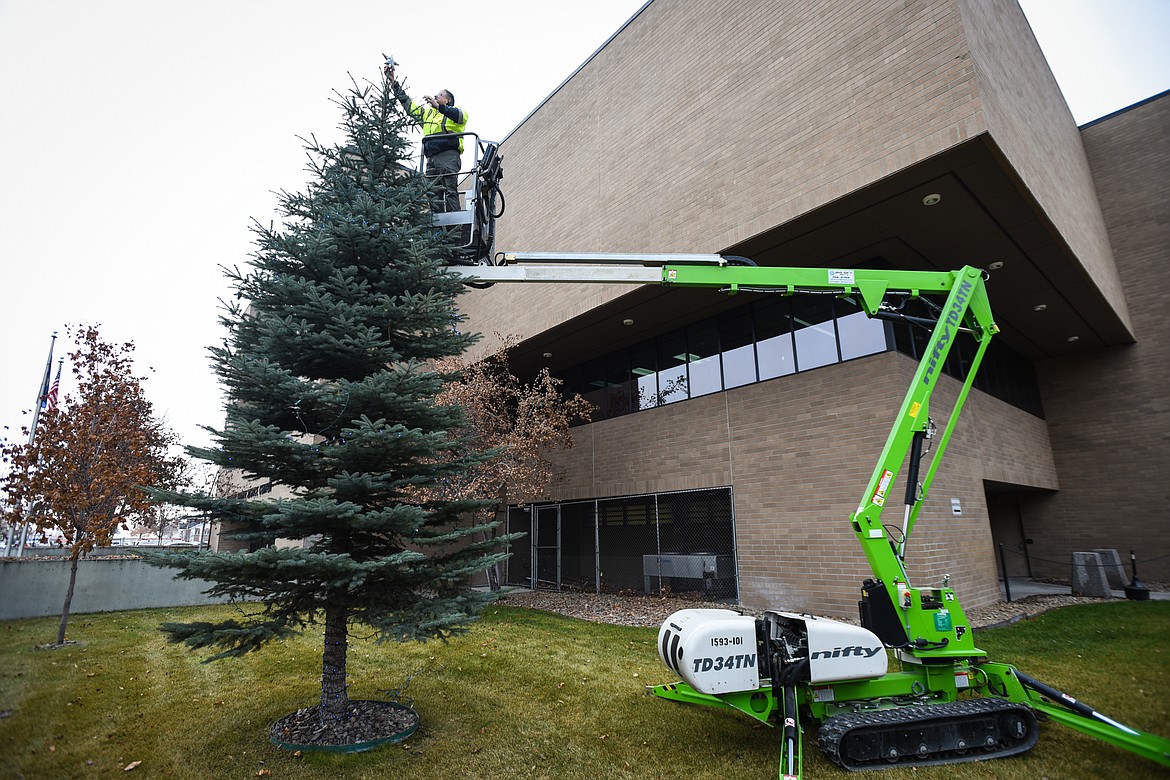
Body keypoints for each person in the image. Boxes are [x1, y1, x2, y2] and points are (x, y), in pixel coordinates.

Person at [385, 62, 467, 215]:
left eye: (440, 95)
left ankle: (455, 228)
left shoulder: (456, 112)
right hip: (431, 158)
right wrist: (393, 82)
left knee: (450, 190)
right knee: (432, 193)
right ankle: (438, 229)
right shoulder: (427, 114)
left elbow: (459, 117)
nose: (436, 96)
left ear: (448, 100)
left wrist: (439, 107)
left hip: (448, 156)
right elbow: (409, 106)